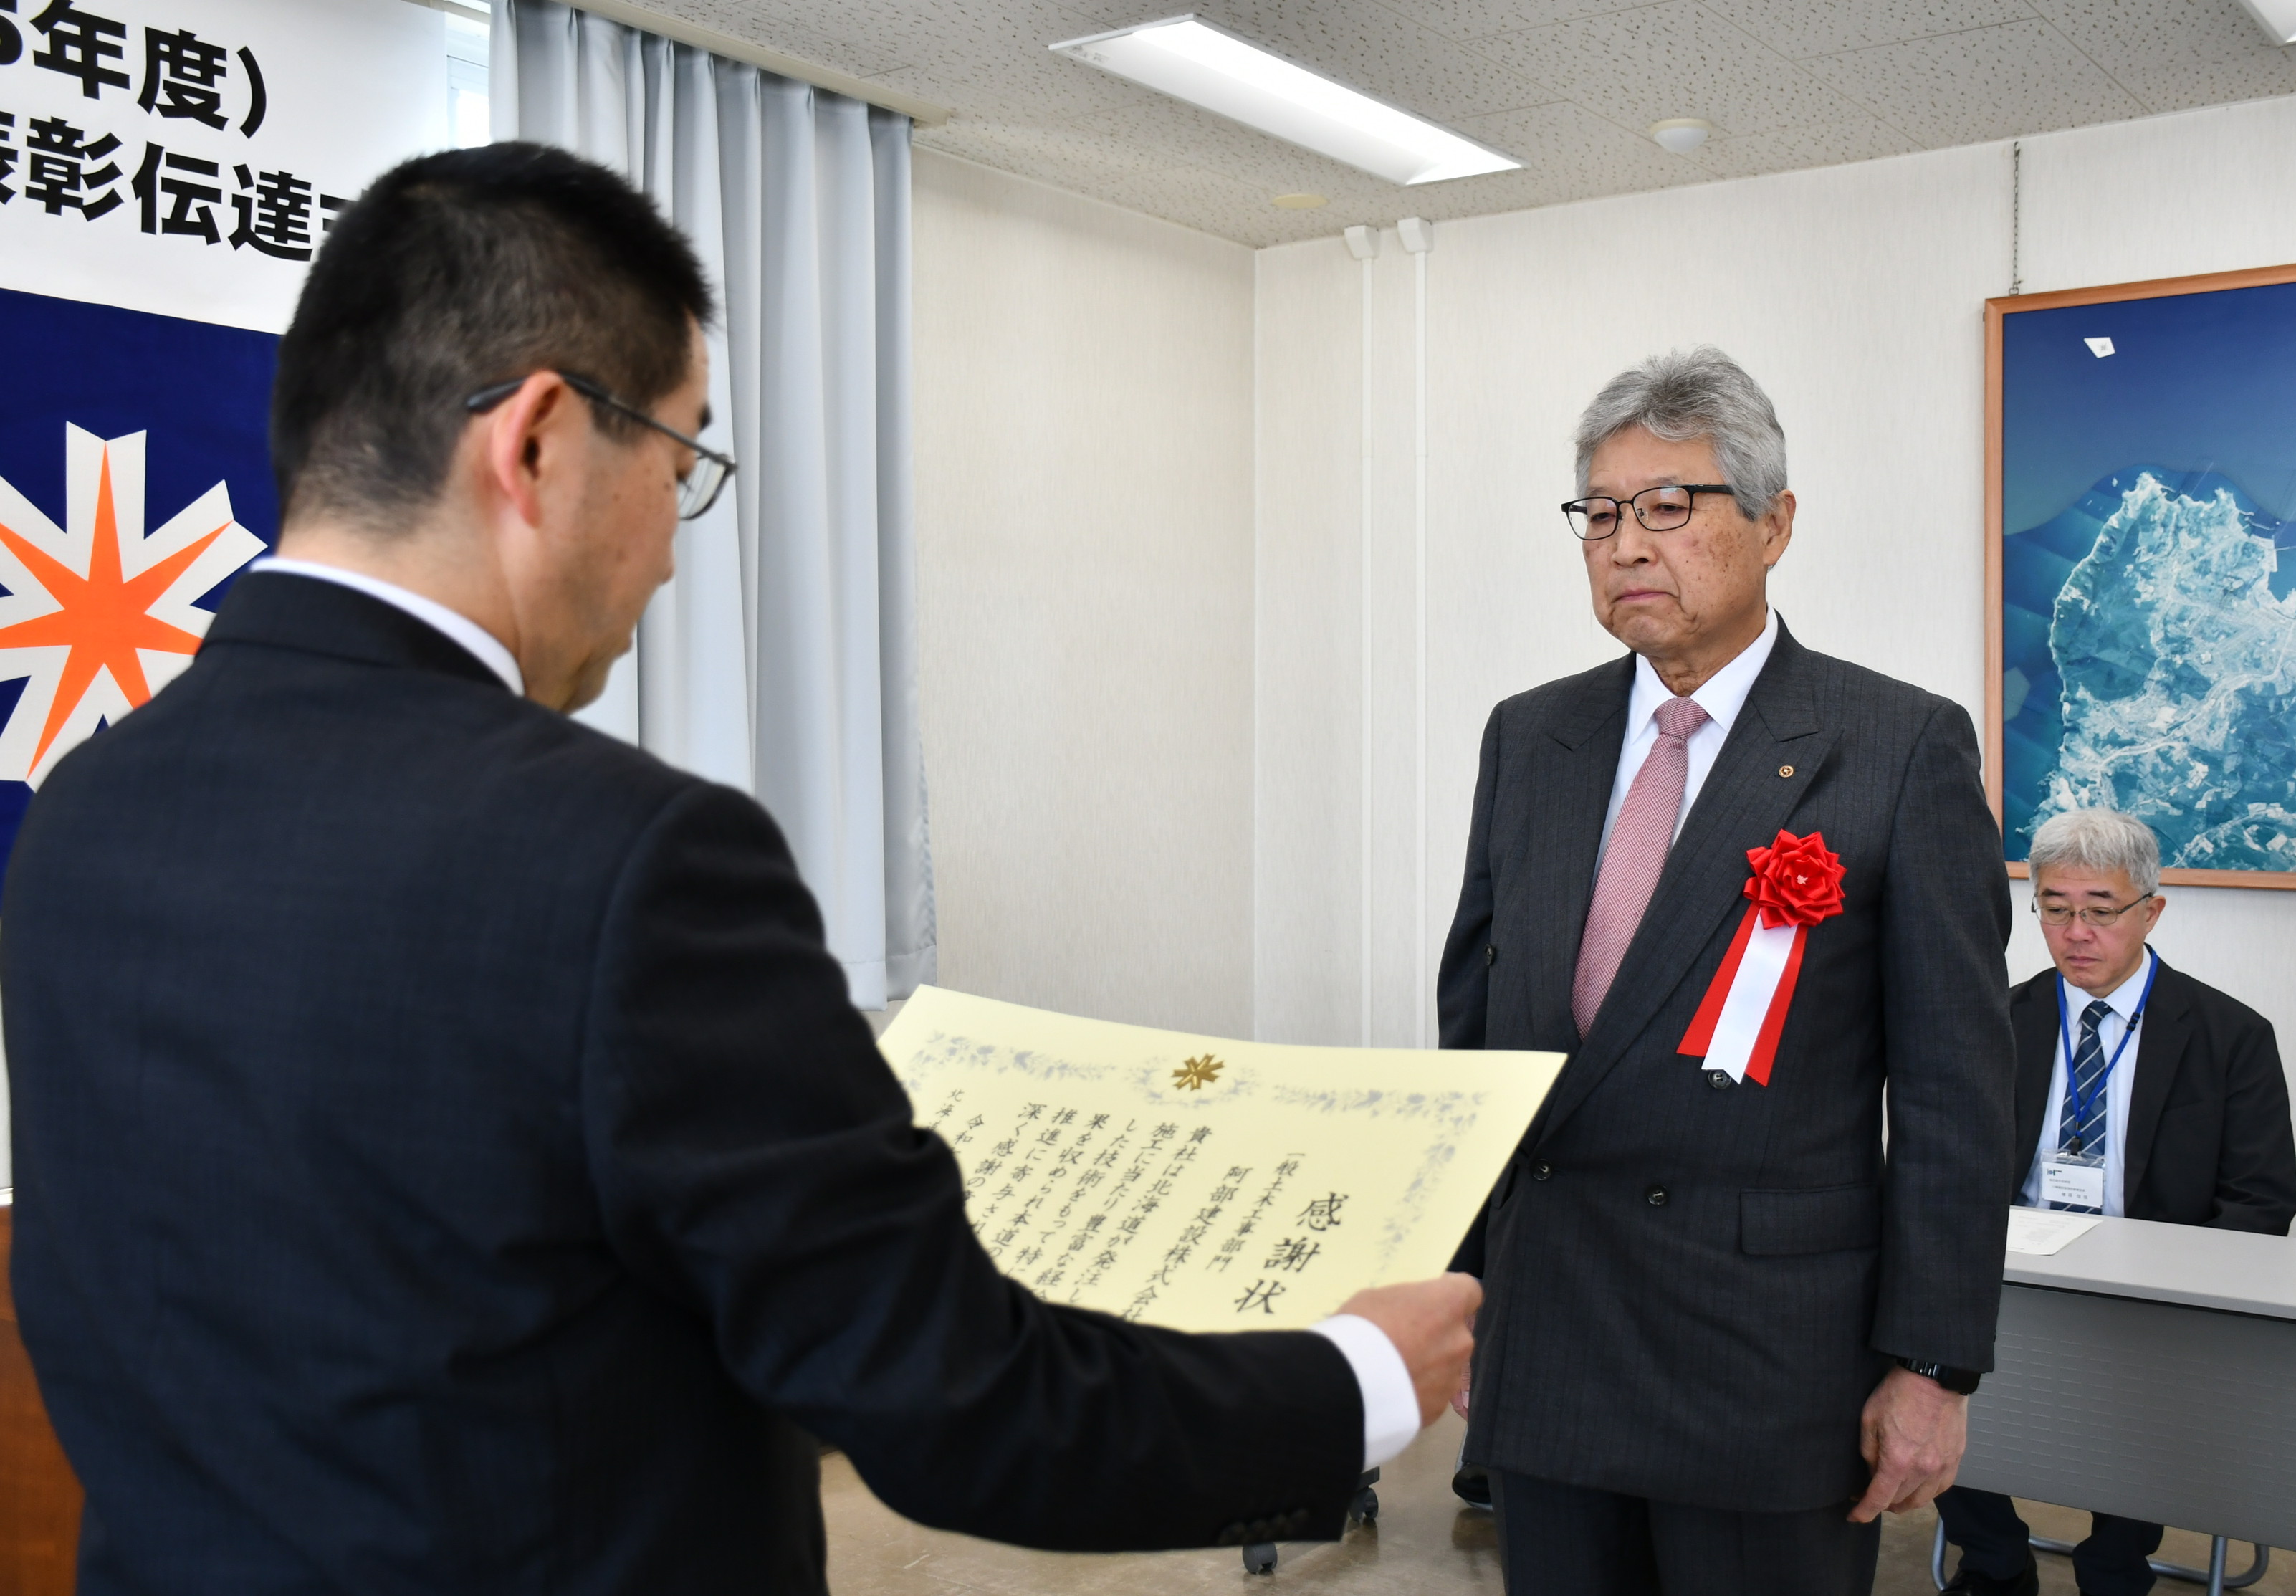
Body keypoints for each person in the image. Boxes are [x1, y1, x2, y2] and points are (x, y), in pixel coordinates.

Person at [1, 143, 1479, 1596]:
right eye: (682, 458)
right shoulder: (629, 861)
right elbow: (958, 1405)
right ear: (536, 441)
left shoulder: (84, 810)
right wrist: (1350, 1378)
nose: (666, 550)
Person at [1437, 347, 2015, 1596]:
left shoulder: (1895, 746)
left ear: (1773, 524)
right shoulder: (1532, 735)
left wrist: (1932, 1364)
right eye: (1598, 513)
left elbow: (1954, 1092)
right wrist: (1468, 1284)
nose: (1626, 543)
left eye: (1668, 505)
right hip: (1552, 1339)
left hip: (1764, 1360)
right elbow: (1476, 1039)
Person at [1934, 807, 2296, 1596]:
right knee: (1916, 1350)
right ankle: (1993, 1559)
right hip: (2008, 1279)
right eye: (2054, 909)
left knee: (2150, 1389)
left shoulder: (2228, 1036)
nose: (2075, 933)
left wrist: (2166, 1280)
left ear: (2150, 910)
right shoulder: (1993, 1021)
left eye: (2099, 910)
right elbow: (1938, 1170)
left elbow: (2261, 1203)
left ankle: (2114, 1561)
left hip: (2153, 1294)